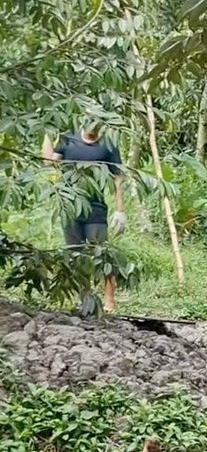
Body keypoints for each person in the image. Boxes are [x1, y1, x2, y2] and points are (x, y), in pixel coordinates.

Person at [41, 121, 126, 313]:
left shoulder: (109, 144)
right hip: (70, 207)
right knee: (75, 255)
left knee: (101, 253)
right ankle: (85, 299)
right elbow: (48, 162)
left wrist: (120, 211)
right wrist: (46, 132)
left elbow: (118, 177)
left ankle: (110, 300)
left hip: (95, 208)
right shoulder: (68, 139)